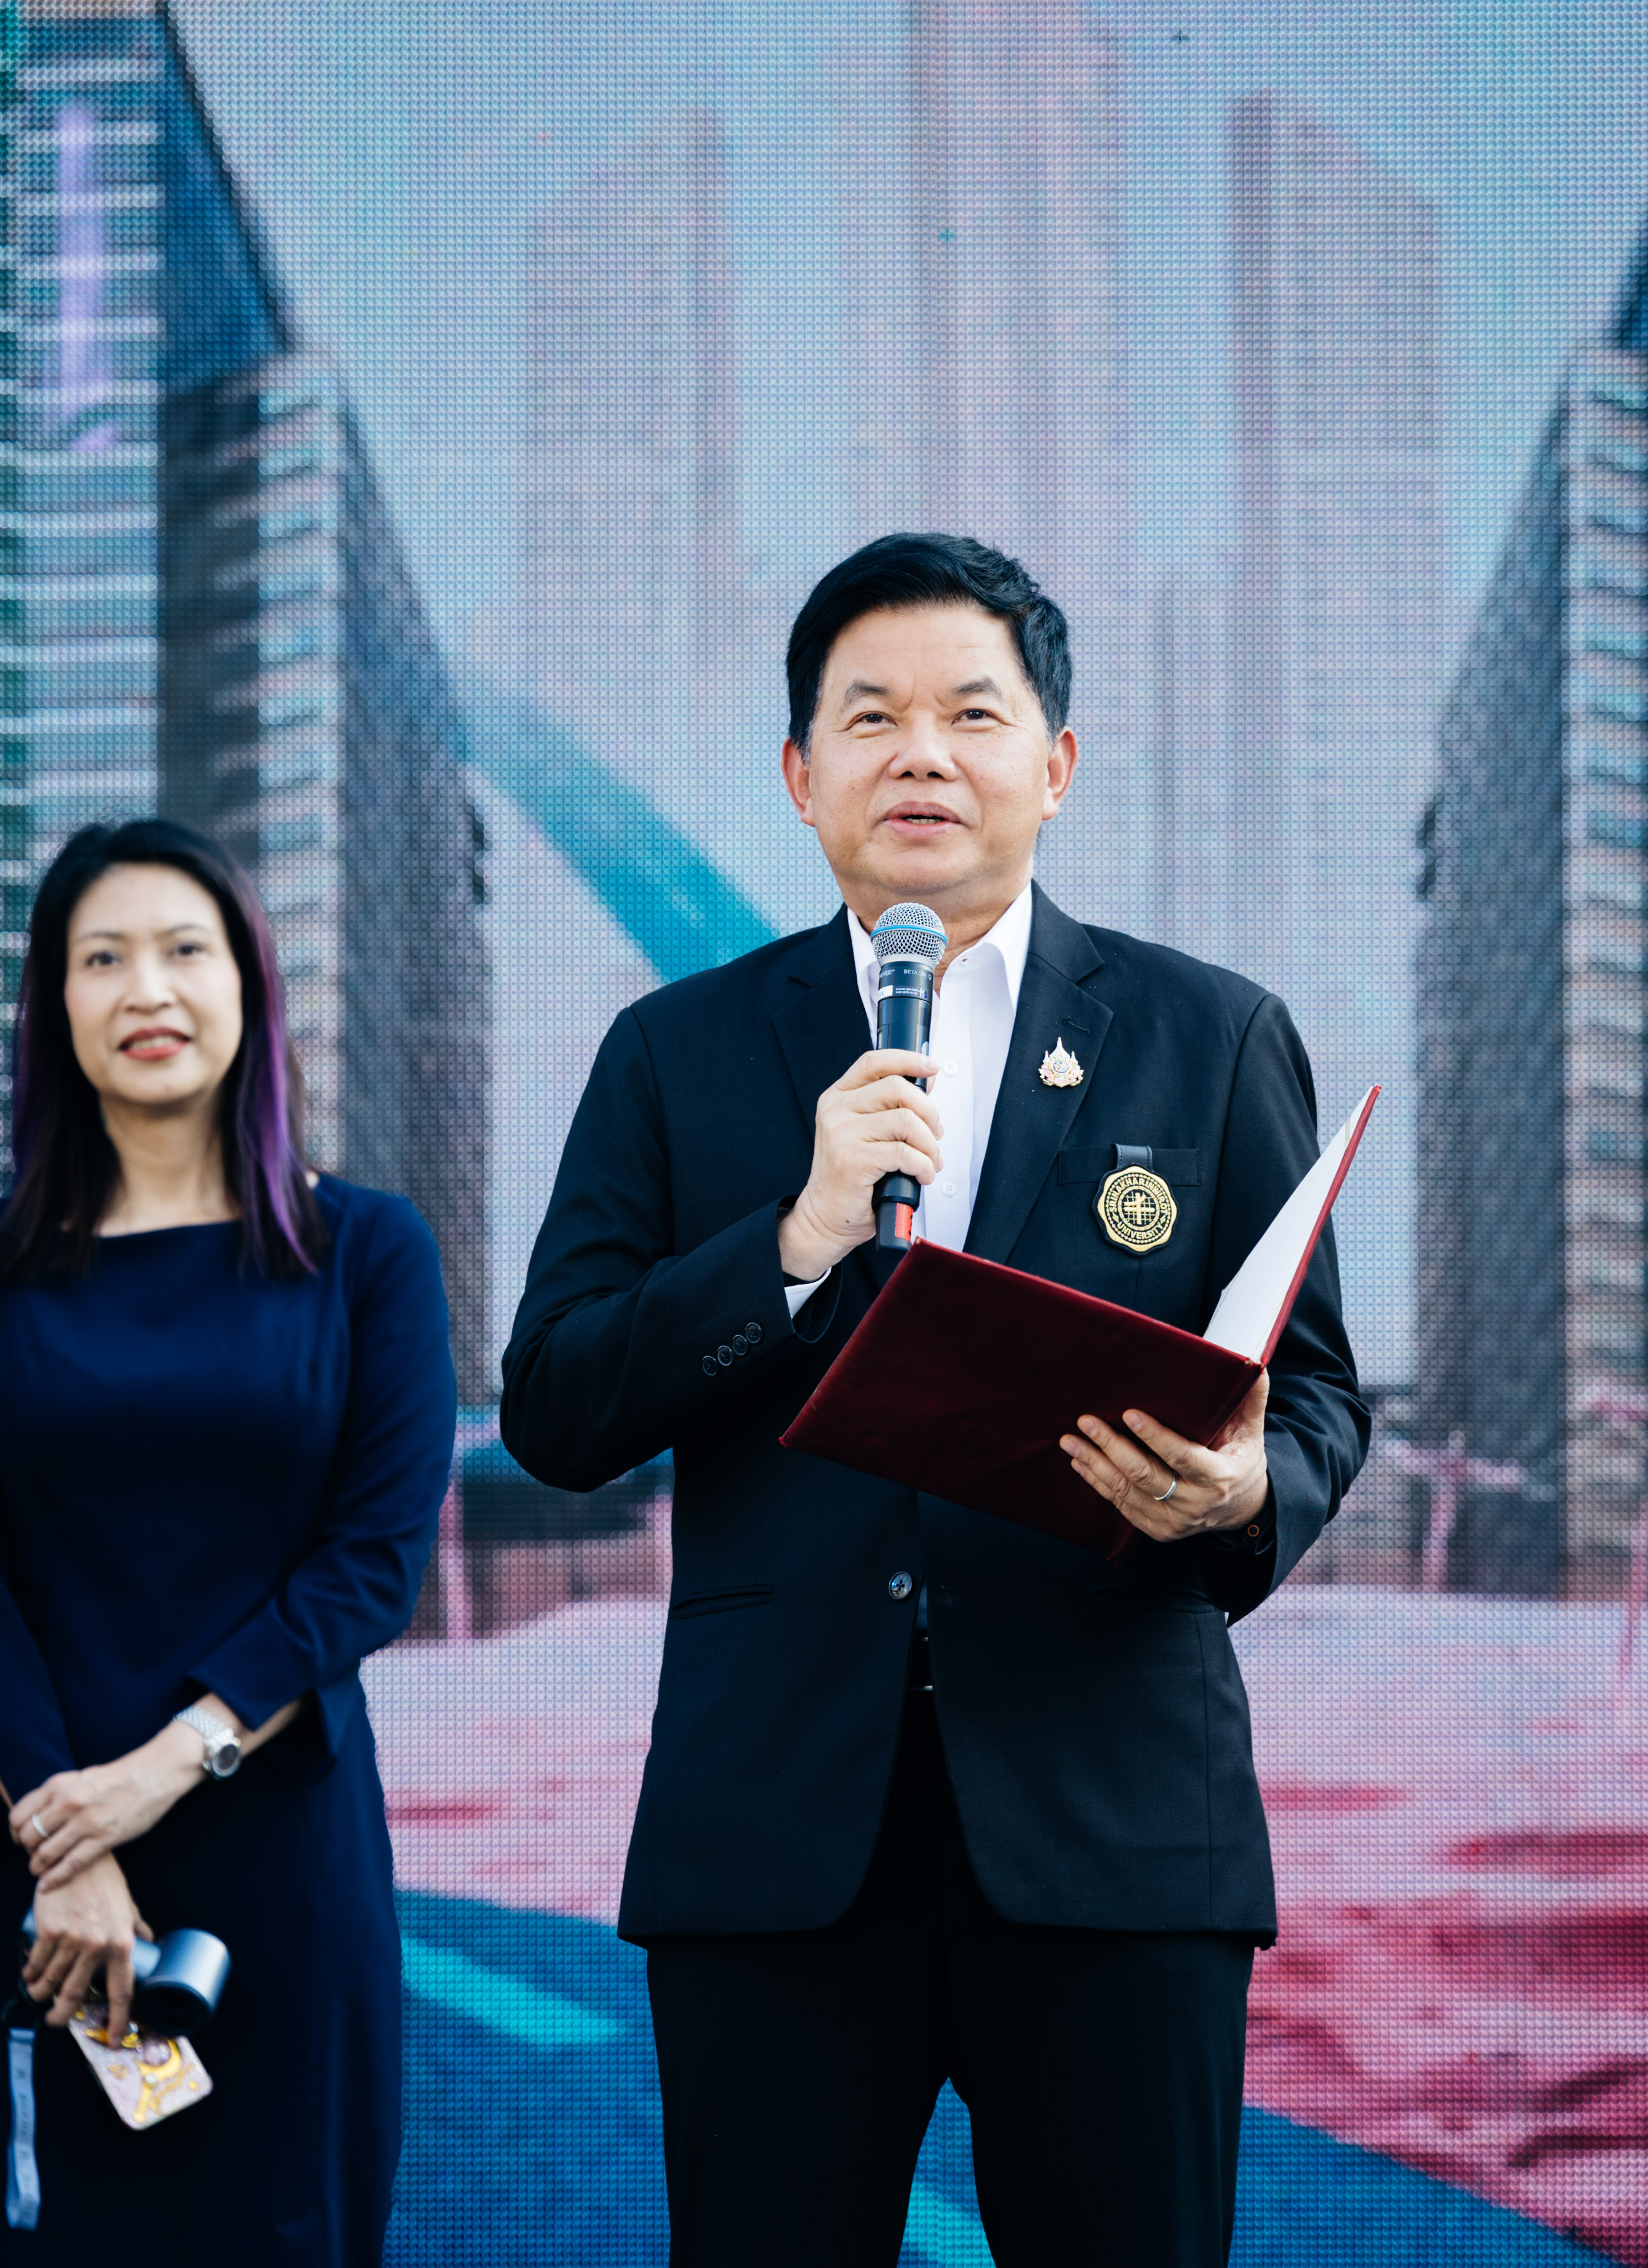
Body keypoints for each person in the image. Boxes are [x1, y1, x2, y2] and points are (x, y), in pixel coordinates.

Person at [503, 533, 1370, 2268]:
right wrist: (794, 1239)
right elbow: (557, 1403)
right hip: (778, 1830)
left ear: (1055, 764)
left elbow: (1322, 1396)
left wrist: (1248, 1494)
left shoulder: (1208, 1037)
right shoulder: (676, 1052)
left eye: (974, 714)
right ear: (798, 776)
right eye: (871, 717)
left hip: (1113, 1823)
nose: (922, 755)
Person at [0, 819, 452, 2262]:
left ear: (249, 986)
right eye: (103, 959)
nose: (147, 989)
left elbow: (372, 1564)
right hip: (32, 1870)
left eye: (185, 951)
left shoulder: (367, 1252)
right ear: (53, 1006)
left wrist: (158, 1772)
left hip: (280, 1860)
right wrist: (68, 1844)